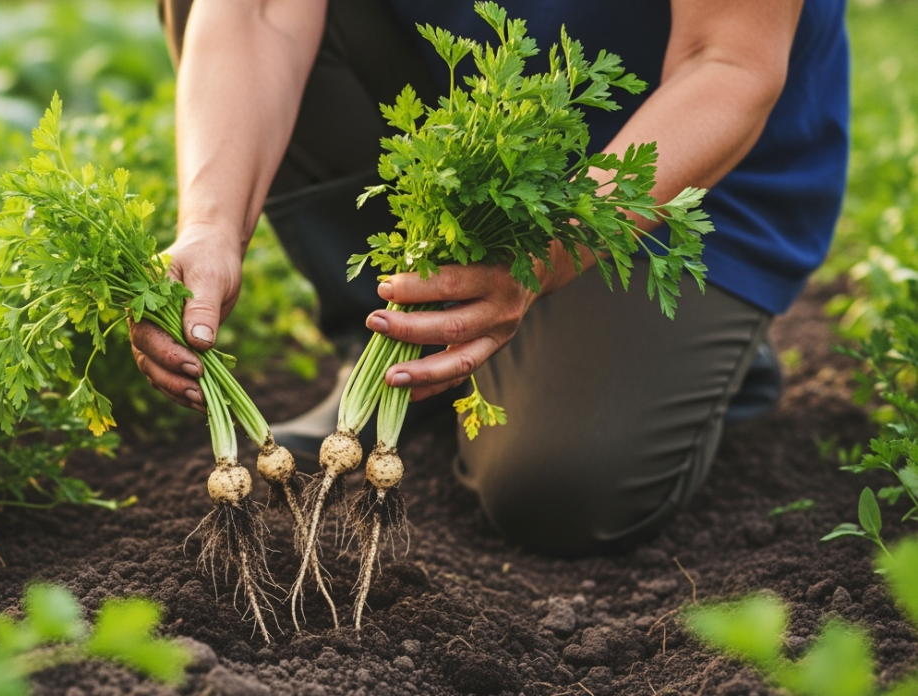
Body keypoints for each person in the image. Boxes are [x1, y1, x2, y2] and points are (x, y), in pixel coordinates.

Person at [130, 0, 848, 555]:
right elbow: (256, 13)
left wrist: (547, 250)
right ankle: (411, 349)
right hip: (465, 128)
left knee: (561, 488)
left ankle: (699, 352)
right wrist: (212, 223)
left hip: (682, 159)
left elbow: (725, 63)